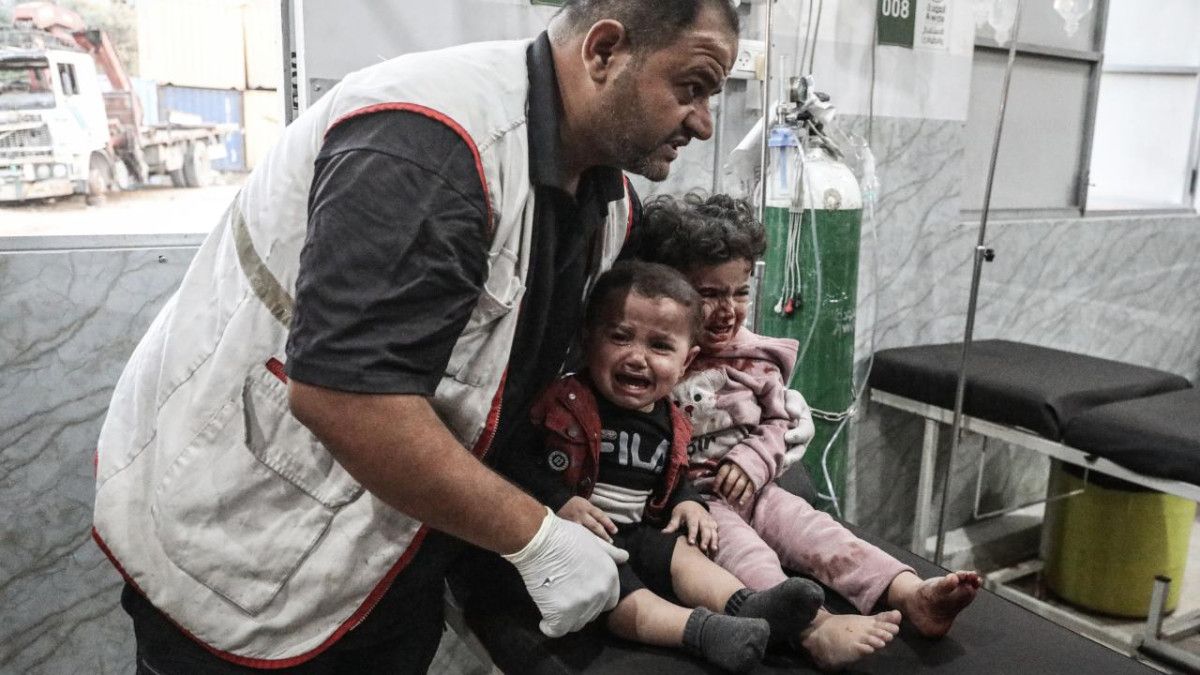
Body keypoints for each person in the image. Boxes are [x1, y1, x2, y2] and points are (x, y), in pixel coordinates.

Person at [91, 1, 741, 672]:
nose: (702, 121)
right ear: (604, 51)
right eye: (691, 87)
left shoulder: (608, 204)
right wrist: (536, 536)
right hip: (248, 532)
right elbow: (348, 398)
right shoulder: (431, 146)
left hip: (394, 552)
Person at [635, 193, 982, 671]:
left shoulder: (754, 358)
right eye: (708, 293)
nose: (728, 309)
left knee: (823, 535)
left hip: (758, 487)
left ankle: (910, 594)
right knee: (748, 557)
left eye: (740, 292)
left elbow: (779, 421)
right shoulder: (659, 360)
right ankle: (815, 629)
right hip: (700, 505)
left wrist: (753, 459)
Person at [521, 260, 825, 672]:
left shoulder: (672, 419)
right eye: (620, 337)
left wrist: (688, 502)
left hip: (639, 532)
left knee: (686, 556)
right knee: (613, 590)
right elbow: (518, 459)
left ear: (686, 362)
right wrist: (560, 501)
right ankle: (701, 631)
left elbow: (675, 472)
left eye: (660, 346)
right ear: (587, 340)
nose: (637, 358)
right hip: (578, 541)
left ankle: (748, 605)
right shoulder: (564, 401)